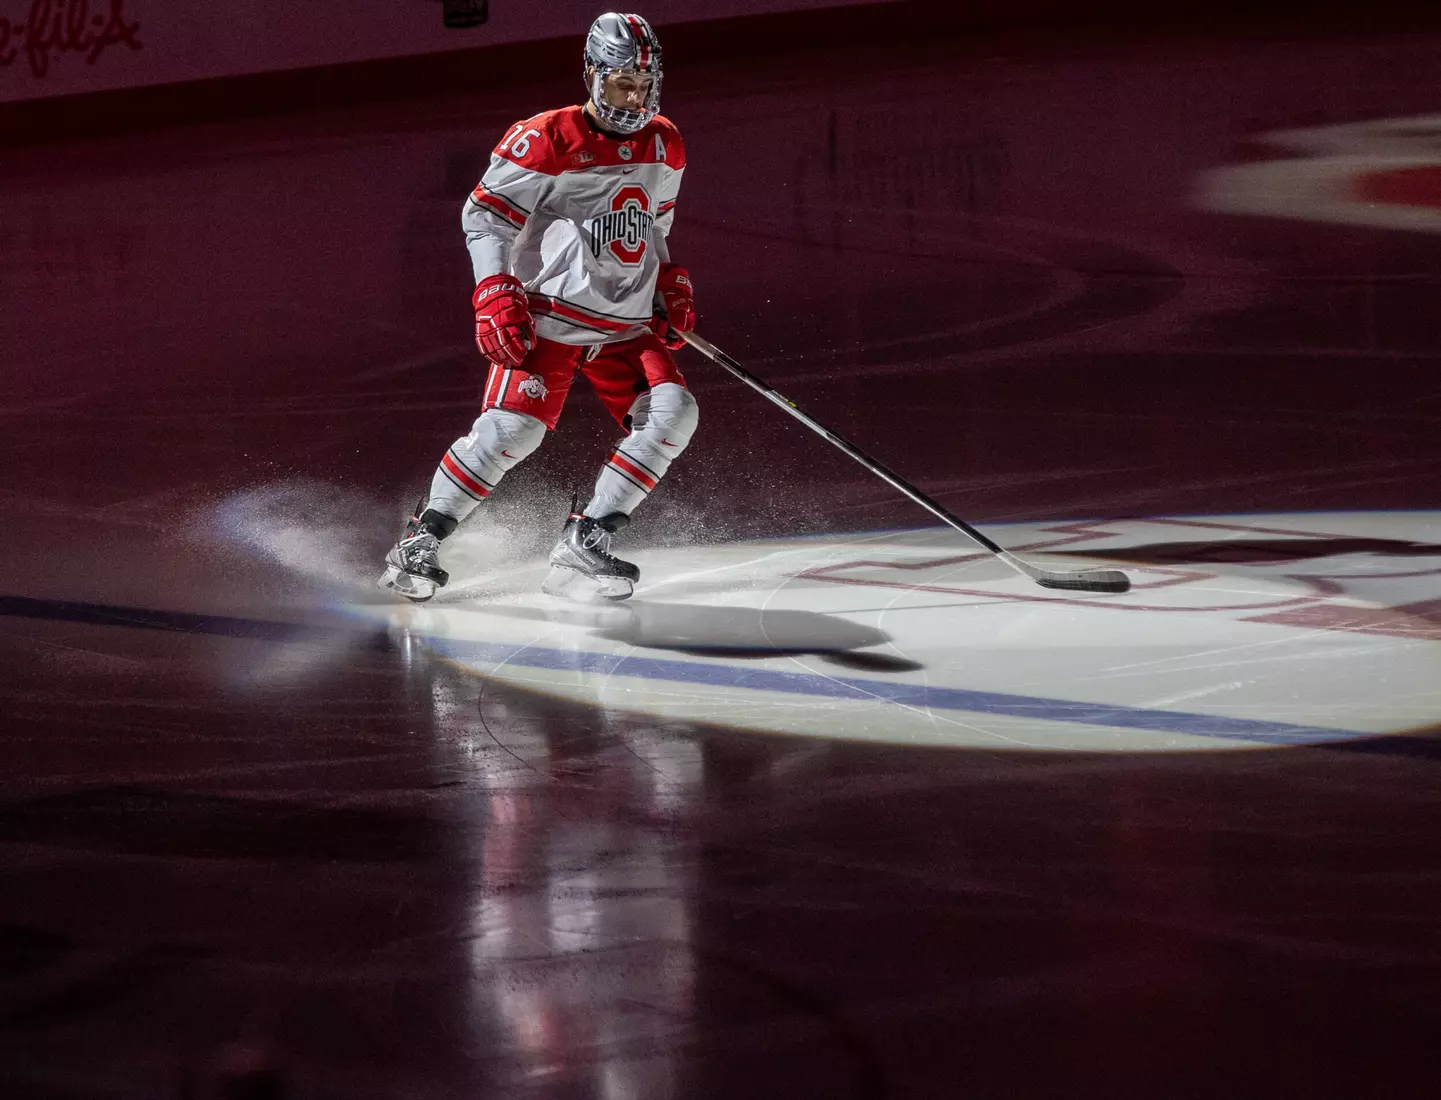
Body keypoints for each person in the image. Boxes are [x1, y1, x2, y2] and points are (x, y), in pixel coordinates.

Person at [379, 12, 697, 603]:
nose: (632, 97)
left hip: (622, 324)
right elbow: (486, 216)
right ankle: (420, 538)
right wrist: (495, 289)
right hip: (550, 316)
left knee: (673, 413)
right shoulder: (545, 137)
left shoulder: (665, 142)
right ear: (592, 74)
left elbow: (655, 223)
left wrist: (667, 281)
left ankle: (589, 537)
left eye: (643, 85)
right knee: (511, 432)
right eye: (620, 82)